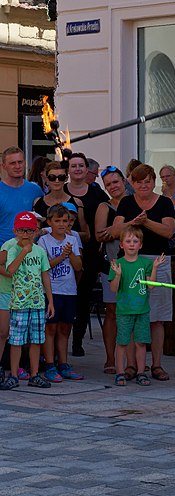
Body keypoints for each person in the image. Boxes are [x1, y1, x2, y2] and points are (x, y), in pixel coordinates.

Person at [111, 163, 175, 381]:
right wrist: (133, 222)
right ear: (133, 183)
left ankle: (156, 365)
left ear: (154, 181)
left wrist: (146, 222)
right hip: (130, 263)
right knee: (130, 315)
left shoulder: (165, 203)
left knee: (157, 318)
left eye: (147, 181)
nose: (144, 185)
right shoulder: (127, 202)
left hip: (156, 261)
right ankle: (132, 365)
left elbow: (169, 231)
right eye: (139, 182)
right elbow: (116, 230)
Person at [0, 147, 43, 376]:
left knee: (24, 315)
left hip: (29, 259)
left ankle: (22, 365)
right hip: (4, 258)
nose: (18, 166)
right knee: (4, 319)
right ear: (3, 166)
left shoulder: (34, 189)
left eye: (20, 162)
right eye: (12, 163)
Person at [0, 212, 54, 390]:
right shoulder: (12, 247)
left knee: (37, 339)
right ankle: (13, 375)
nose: (25, 234)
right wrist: (23, 251)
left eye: (29, 230)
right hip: (18, 303)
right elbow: (10, 270)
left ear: (35, 231)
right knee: (16, 340)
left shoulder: (39, 251)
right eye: (22, 230)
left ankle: (34, 374)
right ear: (15, 230)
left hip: (37, 302)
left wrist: (50, 301)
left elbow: (45, 275)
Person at [65, 152, 109, 357]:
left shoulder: (97, 193)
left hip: (90, 253)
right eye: (73, 166)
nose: (77, 169)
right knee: (62, 296)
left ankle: (77, 342)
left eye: (81, 166)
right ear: (68, 170)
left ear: (86, 169)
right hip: (63, 253)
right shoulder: (62, 190)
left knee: (82, 298)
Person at [109, 225, 165, 386]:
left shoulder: (145, 263)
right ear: (121, 245)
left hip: (142, 310)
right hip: (124, 311)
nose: (132, 244)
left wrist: (154, 268)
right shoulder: (117, 264)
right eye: (128, 241)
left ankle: (141, 372)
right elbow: (113, 288)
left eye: (135, 241)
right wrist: (118, 275)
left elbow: (151, 286)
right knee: (122, 342)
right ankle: (120, 372)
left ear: (140, 245)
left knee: (141, 342)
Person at [38, 204, 83, 382]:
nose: (62, 224)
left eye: (65, 221)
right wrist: (62, 256)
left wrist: (70, 253)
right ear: (49, 222)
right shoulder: (44, 241)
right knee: (50, 328)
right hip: (52, 290)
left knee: (65, 328)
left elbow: (79, 267)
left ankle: (63, 363)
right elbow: (45, 266)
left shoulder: (72, 240)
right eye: (57, 221)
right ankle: (49, 364)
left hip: (69, 290)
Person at [95, 165, 132, 375]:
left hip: (135, 264)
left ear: (124, 181)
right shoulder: (104, 206)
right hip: (112, 264)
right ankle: (110, 358)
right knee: (112, 311)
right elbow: (99, 235)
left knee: (135, 312)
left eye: (115, 182)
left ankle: (132, 360)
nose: (113, 186)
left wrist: (115, 230)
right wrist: (125, 228)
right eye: (108, 184)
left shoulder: (135, 202)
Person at [33, 161, 88, 239]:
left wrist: (70, 233)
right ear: (47, 179)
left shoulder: (77, 202)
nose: (57, 181)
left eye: (61, 177)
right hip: (44, 249)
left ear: (66, 178)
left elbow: (86, 235)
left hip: (69, 248)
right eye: (52, 177)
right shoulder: (38, 202)